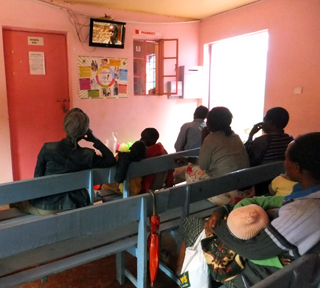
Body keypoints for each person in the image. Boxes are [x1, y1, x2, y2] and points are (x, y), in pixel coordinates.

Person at [204, 132, 320, 287]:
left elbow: (252, 249)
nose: (283, 162)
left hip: (264, 277)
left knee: (196, 231)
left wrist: (217, 226)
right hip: (290, 271)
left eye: (286, 158)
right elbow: (269, 200)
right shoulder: (305, 195)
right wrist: (224, 209)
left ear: (297, 168)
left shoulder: (304, 211)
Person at [11, 108, 116, 215]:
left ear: (65, 127)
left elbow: (38, 180)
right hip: (77, 205)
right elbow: (110, 160)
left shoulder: (47, 149)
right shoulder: (87, 155)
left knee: (16, 201)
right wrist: (95, 140)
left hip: (47, 207)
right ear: (85, 132)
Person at [175, 107, 250, 205]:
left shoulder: (211, 138)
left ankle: (194, 198)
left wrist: (203, 138)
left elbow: (203, 165)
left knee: (191, 168)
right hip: (247, 192)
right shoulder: (235, 136)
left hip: (228, 196)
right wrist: (189, 159)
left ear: (209, 122)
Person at [140, 128, 174, 193]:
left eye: (143, 138)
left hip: (147, 186)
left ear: (151, 140)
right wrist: (169, 184)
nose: (141, 140)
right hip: (160, 183)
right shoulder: (163, 152)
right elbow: (170, 171)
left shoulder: (146, 154)